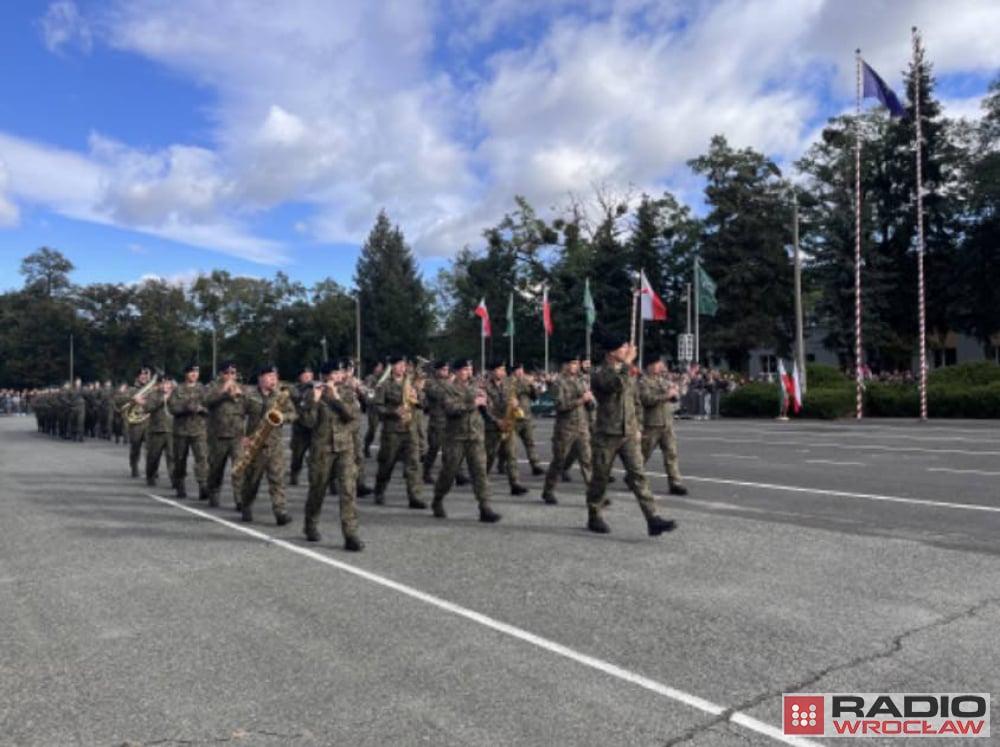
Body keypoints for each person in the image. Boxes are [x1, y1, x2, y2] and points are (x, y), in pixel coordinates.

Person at [585, 335, 678, 537]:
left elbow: (635, 401)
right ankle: (594, 515)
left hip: (628, 433)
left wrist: (638, 426)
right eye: (623, 347)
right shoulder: (600, 374)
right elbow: (613, 385)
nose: (627, 350)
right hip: (607, 434)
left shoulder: (629, 373)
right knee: (600, 479)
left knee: (639, 476)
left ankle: (653, 519)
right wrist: (627, 363)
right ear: (611, 353)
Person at [299, 359, 364, 551]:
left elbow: (352, 417)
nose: (339, 376)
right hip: (322, 449)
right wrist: (314, 401)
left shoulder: (347, 393)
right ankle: (310, 524)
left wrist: (336, 398)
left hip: (345, 448)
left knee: (348, 491)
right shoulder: (312, 393)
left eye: (340, 373)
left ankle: (350, 534)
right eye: (335, 373)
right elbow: (307, 423)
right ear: (326, 376)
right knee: (317, 490)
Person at [430, 359, 501, 523]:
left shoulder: (475, 387)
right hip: (456, 437)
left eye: (470, 369)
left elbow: (487, 408)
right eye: (464, 370)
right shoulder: (447, 388)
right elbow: (450, 409)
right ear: (455, 371)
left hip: (475, 436)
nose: (468, 372)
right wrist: (472, 403)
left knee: (480, 473)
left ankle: (485, 508)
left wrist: (486, 400)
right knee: (449, 472)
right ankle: (437, 500)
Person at [239, 365, 295, 525]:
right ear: (261, 378)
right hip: (255, 445)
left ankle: (280, 512)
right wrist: (243, 436)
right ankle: (246, 505)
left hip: (274, 445)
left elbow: (293, 413)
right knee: (252, 481)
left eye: (275, 376)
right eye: (270, 376)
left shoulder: (281, 396)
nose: (274, 379)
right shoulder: (250, 396)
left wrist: (282, 417)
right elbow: (238, 416)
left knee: (277, 479)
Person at [372, 355, 425, 509]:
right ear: (392, 367)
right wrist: (393, 411)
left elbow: (422, 403)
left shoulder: (410, 382)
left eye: (404, 364)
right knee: (387, 463)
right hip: (392, 430)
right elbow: (377, 407)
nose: (403, 367)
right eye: (399, 365)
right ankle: (379, 490)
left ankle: (415, 496)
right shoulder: (384, 385)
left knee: (413, 463)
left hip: (410, 429)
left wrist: (418, 396)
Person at [540, 354, 593, 505]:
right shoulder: (559, 383)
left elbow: (587, 402)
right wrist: (580, 400)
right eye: (573, 363)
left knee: (587, 461)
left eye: (577, 363)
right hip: (565, 428)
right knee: (559, 461)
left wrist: (588, 401)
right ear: (565, 365)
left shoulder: (581, 381)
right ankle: (548, 491)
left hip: (581, 426)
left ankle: (595, 494)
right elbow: (560, 406)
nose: (576, 366)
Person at [639, 358, 688, 496]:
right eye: (657, 364)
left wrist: (674, 394)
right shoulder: (643, 382)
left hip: (667, 422)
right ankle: (633, 476)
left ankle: (675, 483)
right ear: (649, 366)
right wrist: (666, 396)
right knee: (643, 454)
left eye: (661, 364)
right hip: (652, 424)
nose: (660, 367)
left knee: (671, 454)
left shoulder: (664, 381)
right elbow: (646, 399)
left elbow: (673, 399)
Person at [203, 361, 246, 509]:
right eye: (227, 373)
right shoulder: (212, 387)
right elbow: (206, 401)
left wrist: (242, 395)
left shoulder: (242, 388)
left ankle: (240, 499)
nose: (230, 376)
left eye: (233, 373)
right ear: (221, 374)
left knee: (239, 468)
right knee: (216, 468)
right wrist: (223, 391)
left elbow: (250, 407)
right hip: (218, 435)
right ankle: (214, 493)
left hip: (237, 435)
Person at [483, 361, 529, 496]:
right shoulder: (483, 386)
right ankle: (481, 480)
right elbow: (484, 408)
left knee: (511, 455)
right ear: (491, 371)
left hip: (508, 423)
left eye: (503, 369)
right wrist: (497, 421)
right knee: (489, 457)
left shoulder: (508, 384)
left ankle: (515, 484)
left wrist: (516, 404)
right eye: (499, 369)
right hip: (492, 426)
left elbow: (516, 397)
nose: (503, 372)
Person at [168, 364, 210, 500]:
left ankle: (203, 485)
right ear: (186, 374)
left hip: (199, 430)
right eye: (191, 372)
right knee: (180, 459)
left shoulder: (204, 389)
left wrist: (201, 409)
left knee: (202, 458)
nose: (194, 374)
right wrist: (186, 408)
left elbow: (212, 407)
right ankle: (180, 484)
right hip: (181, 431)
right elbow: (172, 408)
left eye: (196, 372)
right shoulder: (178, 390)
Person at [510, 363, 546, 476]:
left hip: (526, 417)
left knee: (530, 442)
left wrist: (535, 387)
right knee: (510, 445)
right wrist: (526, 383)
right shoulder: (509, 382)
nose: (521, 372)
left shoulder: (526, 383)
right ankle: (505, 464)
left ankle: (535, 465)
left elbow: (534, 396)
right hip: (513, 418)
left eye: (522, 370)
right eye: (518, 370)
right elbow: (513, 391)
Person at [143, 376, 175, 487]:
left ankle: (174, 479)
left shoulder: (175, 394)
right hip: (157, 430)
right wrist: (162, 400)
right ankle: (150, 476)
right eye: (164, 383)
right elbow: (147, 408)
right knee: (154, 456)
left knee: (172, 457)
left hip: (172, 430)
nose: (166, 386)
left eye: (168, 383)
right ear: (159, 385)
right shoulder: (153, 395)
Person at [124, 367, 152, 475]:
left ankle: (151, 469)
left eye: (147, 375)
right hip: (136, 423)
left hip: (150, 421)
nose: (145, 377)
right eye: (142, 375)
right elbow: (120, 400)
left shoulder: (153, 389)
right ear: (138, 376)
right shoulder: (132, 389)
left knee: (151, 448)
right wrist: (133, 399)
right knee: (135, 446)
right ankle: (134, 466)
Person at [289, 366, 314, 486]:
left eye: (310, 375)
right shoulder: (294, 389)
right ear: (300, 377)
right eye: (305, 375)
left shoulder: (316, 388)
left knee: (316, 457)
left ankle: (317, 479)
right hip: (300, 428)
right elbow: (297, 400)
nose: (308, 377)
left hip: (314, 428)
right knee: (297, 456)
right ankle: (294, 473)